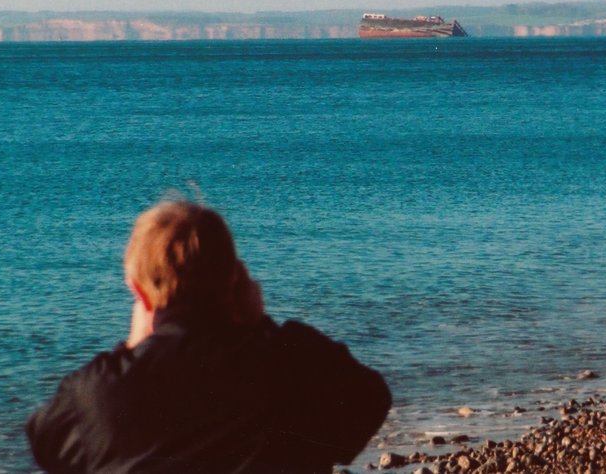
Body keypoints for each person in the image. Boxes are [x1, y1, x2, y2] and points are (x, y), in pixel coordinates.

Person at [26, 200, 391, 474]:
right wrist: (263, 325)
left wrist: (132, 349)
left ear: (137, 290)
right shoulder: (294, 364)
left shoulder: (96, 395)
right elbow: (371, 400)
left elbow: (46, 441)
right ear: (235, 279)